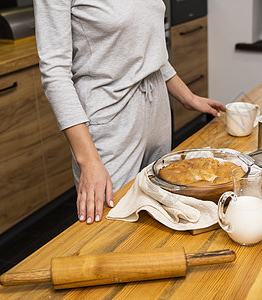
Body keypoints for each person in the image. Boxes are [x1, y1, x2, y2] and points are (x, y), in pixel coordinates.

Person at [33, 1, 225, 225]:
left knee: (160, 219)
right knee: (112, 226)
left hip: (157, 107)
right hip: (112, 118)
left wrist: (188, 97)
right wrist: (88, 161)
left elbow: (147, 48)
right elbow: (54, 73)